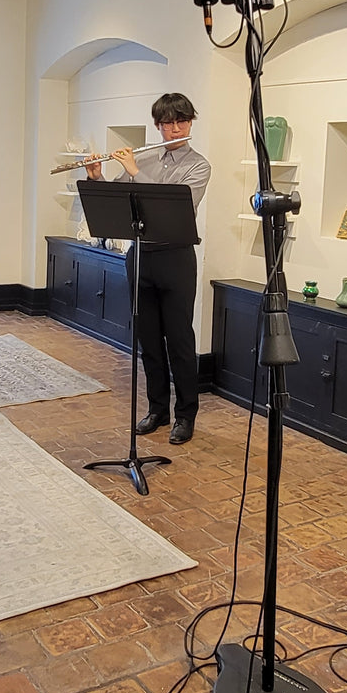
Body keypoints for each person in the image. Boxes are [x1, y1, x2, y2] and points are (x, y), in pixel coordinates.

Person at [85, 92, 211, 444]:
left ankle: (186, 415)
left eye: (181, 121)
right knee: (149, 340)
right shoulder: (147, 157)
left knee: (180, 341)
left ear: (190, 122)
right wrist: (97, 178)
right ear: (158, 125)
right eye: (167, 123)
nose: (175, 128)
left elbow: (174, 202)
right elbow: (117, 202)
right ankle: (158, 409)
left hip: (175, 257)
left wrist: (134, 171)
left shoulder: (199, 165)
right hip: (141, 256)